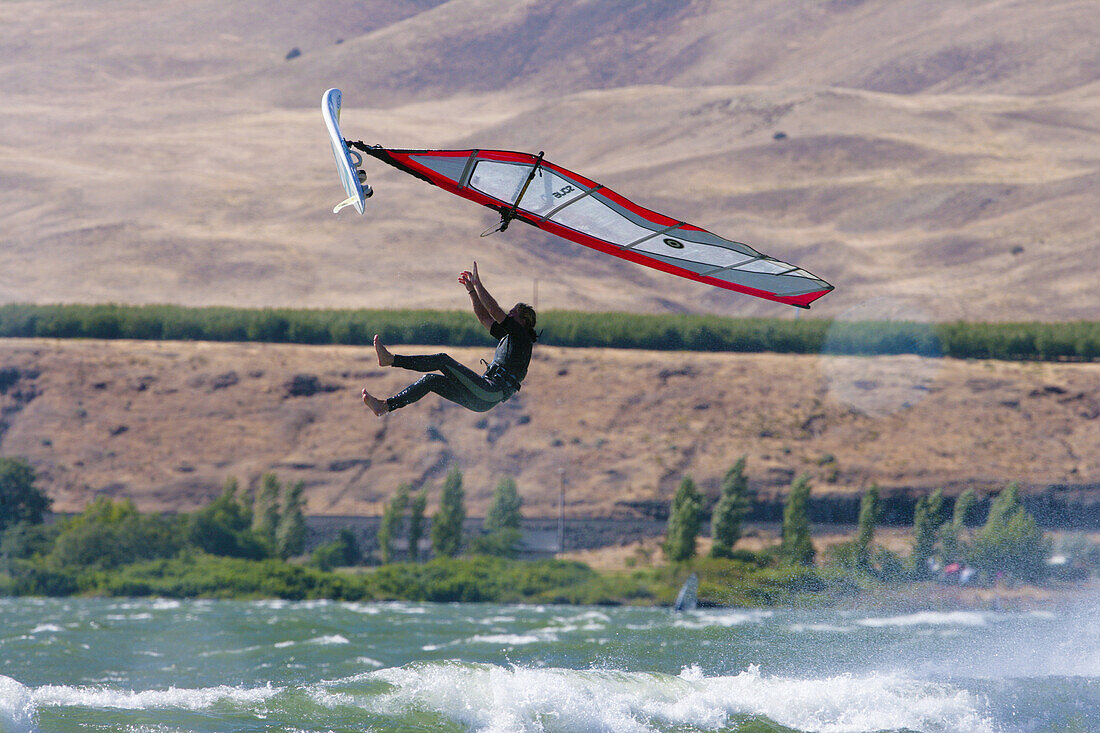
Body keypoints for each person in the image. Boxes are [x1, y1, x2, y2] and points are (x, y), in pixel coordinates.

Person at [362, 262, 537, 416]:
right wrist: (471, 291)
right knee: (431, 381)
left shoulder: (522, 338)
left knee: (442, 360)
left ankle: (391, 360)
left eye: (515, 312)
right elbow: (485, 318)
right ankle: (385, 406)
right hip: (482, 396)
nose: (510, 312)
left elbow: (494, 310)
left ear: (525, 322)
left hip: (489, 392)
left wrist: (478, 284)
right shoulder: (509, 338)